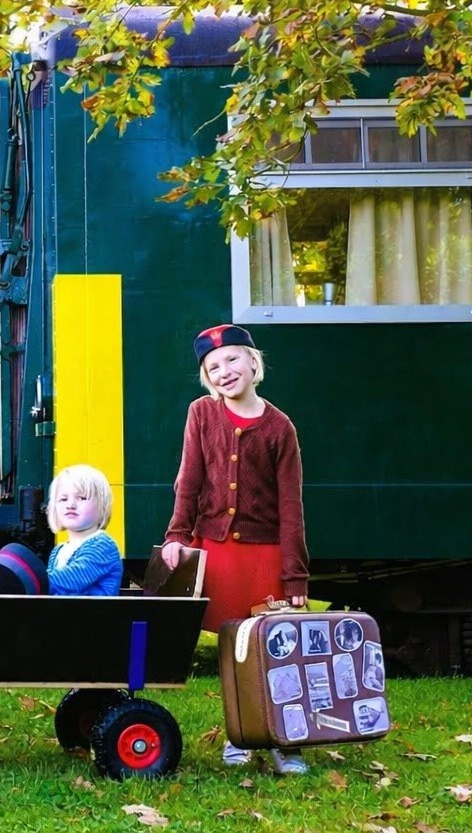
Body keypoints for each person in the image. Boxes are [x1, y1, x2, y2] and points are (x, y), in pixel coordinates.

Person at [159, 323, 309, 776]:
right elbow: (189, 480)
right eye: (212, 367)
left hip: (264, 555)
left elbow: (291, 505)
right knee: (232, 650)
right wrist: (177, 536)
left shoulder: (280, 427)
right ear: (207, 378)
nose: (224, 372)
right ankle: (238, 735)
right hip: (218, 552)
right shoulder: (201, 414)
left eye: (231, 360)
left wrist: (294, 575)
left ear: (253, 362)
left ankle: (286, 740)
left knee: (272, 650)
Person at [44, 464, 122, 596]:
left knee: (18, 556)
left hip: (90, 615)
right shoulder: (59, 550)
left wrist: (27, 579)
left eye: (82, 498)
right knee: (14, 552)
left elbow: (70, 581)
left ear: (102, 505)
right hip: (65, 614)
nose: (70, 505)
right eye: (63, 499)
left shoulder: (103, 545)